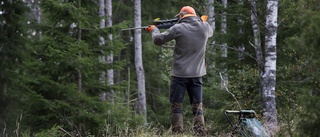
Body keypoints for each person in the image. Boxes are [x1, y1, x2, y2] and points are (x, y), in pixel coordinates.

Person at [145, 6, 213, 136]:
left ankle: (178, 134)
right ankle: (200, 133)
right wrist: (202, 20)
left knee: (176, 107)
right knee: (197, 108)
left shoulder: (178, 28)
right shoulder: (204, 28)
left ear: (182, 16)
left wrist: (154, 30)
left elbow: (158, 40)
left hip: (179, 76)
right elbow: (209, 29)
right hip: (197, 75)